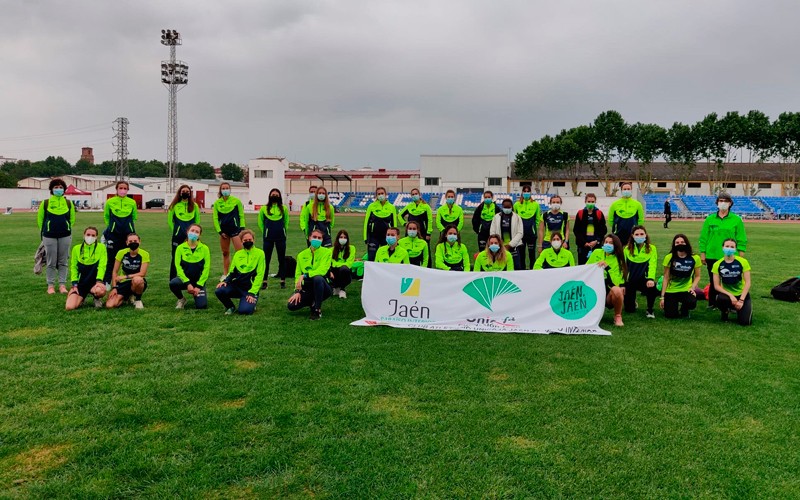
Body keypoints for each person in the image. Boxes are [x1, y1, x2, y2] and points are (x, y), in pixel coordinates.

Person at [698, 192, 747, 310]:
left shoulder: (736, 219)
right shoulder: (710, 219)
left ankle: (730, 302)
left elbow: (741, 237)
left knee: (731, 279)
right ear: (717, 203)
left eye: (725, 201)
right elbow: (703, 238)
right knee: (713, 279)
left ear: (730, 203)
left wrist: (741, 254)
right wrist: (703, 253)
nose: (723, 203)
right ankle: (712, 302)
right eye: (720, 200)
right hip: (712, 254)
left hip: (729, 256)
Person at [38, 178, 76, 294]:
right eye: (56, 187)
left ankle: (62, 285)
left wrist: (65, 228)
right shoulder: (45, 203)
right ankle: (50, 286)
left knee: (63, 261)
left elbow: (72, 220)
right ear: (51, 189)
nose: (58, 189)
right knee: (51, 262)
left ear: (64, 189)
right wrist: (47, 231)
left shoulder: (69, 203)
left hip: (65, 235)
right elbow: (40, 220)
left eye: (60, 187)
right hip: (49, 236)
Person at [215, 229, 265, 315]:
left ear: (253, 240)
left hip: (249, 289)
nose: (248, 242)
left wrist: (253, 292)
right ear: (241, 241)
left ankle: (250, 302)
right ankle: (230, 307)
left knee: (244, 311)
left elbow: (260, 275)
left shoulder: (260, 253)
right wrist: (225, 281)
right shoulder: (238, 254)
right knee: (219, 290)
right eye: (245, 240)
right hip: (237, 286)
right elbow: (232, 272)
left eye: (250, 240)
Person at [288, 229, 333, 320]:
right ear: (309, 238)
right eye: (314, 237)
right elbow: (297, 274)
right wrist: (297, 291)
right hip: (307, 288)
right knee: (291, 306)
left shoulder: (327, 252)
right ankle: (313, 302)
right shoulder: (301, 255)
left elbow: (323, 270)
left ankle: (317, 310)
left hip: (323, 286)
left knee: (318, 278)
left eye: (319, 238)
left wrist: (305, 275)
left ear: (322, 240)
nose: (316, 239)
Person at [102, 180, 138, 285]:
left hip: (128, 235)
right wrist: (112, 228)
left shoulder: (132, 202)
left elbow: (134, 217)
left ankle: (125, 281)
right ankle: (108, 282)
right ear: (116, 189)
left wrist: (128, 228)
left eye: (125, 188)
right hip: (113, 235)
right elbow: (106, 217)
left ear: (127, 190)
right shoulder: (110, 202)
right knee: (111, 259)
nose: (122, 190)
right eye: (120, 188)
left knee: (127, 258)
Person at [587, 234, 627, 326]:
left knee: (617, 290)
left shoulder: (619, 259)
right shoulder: (596, 252)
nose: (608, 244)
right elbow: (587, 268)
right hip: (594, 286)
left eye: (611, 243)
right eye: (606, 242)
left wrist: (607, 268)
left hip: (608, 290)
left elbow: (616, 282)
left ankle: (617, 316)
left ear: (616, 245)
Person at [65, 226, 107, 310]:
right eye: (88, 234)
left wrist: (99, 281)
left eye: (93, 235)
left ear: (96, 237)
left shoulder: (101, 247)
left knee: (100, 291)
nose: (90, 237)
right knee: (70, 307)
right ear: (83, 235)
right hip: (81, 284)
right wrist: (75, 284)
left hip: (95, 283)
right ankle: (81, 298)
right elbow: (74, 267)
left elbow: (102, 266)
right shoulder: (76, 249)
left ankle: (97, 298)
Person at [712, 238, 752, 325]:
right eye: (727, 246)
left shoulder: (743, 262)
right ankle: (725, 311)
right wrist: (730, 295)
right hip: (727, 295)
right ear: (722, 247)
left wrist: (741, 300)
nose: (729, 248)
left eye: (732, 247)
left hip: (741, 295)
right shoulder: (717, 264)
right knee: (720, 298)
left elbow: (748, 282)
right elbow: (716, 286)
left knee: (745, 322)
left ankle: (738, 308)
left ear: (735, 249)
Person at [660, 234, 701, 319]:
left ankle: (684, 308)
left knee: (692, 302)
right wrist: (662, 297)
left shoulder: (695, 258)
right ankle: (673, 305)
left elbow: (697, 276)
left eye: (682, 242)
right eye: (677, 242)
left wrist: (692, 287)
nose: (680, 244)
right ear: (674, 245)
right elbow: (666, 277)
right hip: (671, 290)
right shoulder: (669, 257)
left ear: (687, 243)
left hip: (686, 289)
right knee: (671, 315)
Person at [170, 223, 210, 310]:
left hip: (198, 281)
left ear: (200, 235)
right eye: (192, 231)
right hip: (184, 280)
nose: (194, 233)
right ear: (187, 232)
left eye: (197, 232)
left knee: (201, 306)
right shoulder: (180, 248)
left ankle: (198, 292)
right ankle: (181, 299)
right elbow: (178, 267)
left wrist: (199, 286)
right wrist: (187, 283)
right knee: (173, 283)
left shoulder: (205, 248)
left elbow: (206, 269)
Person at [105, 233, 149, 309]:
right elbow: (115, 272)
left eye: (135, 241)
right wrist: (114, 287)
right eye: (130, 241)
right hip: (123, 282)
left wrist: (125, 276)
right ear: (127, 242)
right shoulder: (121, 253)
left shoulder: (144, 254)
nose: (133, 243)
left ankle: (138, 300)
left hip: (137, 281)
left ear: (139, 241)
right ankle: (126, 297)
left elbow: (142, 273)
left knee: (137, 279)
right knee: (110, 305)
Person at [623, 225, 659, 319]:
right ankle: (632, 302)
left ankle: (650, 309)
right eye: (637, 234)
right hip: (630, 281)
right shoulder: (626, 249)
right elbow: (623, 267)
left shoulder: (652, 248)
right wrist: (623, 283)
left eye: (642, 234)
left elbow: (652, 265)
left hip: (644, 280)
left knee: (653, 286)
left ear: (646, 235)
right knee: (629, 310)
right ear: (632, 236)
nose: (639, 236)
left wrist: (650, 278)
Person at [257, 188, 289, 290]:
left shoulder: (284, 208)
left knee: (281, 259)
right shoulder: (263, 209)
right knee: (266, 259)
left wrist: (283, 231)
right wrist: (266, 232)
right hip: (268, 238)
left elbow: (286, 222)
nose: (274, 196)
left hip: (280, 237)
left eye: (276, 194)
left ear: (279, 196)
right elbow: (260, 223)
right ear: (269, 196)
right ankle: (264, 282)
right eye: (273, 194)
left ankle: (282, 281)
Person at [212, 182, 246, 278]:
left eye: (227, 188)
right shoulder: (217, 203)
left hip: (236, 231)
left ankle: (240, 273)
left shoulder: (236, 201)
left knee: (239, 253)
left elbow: (241, 216)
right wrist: (220, 231)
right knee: (225, 253)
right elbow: (215, 218)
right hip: (224, 232)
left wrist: (242, 229)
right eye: (223, 188)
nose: (225, 190)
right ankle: (225, 274)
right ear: (220, 190)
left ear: (230, 190)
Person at [168, 185, 200, 280]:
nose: (185, 192)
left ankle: (191, 277)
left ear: (190, 193)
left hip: (191, 237)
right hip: (177, 236)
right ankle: (173, 278)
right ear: (180, 193)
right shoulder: (174, 205)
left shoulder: (195, 206)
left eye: (187, 191)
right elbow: (170, 221)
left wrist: (194, 233)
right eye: (183, 191)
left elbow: (197, 221)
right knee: (175, 257)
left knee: (191, 256)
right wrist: (176, 231)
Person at [363, 187, 398, 261]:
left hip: (387, 238)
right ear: (376, 196)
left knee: (385, 258)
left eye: (382, 193)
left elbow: (394, 225)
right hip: (373, 237)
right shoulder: (371, 206)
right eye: (378, 194)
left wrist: (395, 238)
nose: (380, 195)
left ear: (385, 194)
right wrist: (366, 238)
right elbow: (366, 223)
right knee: (372, 257)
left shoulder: (392, 207)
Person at [573, 193, 607, 265]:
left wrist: (597, 241)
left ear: (595, 202)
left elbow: (603, 230)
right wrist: (584, 243)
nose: (590, 203)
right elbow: (576, 230)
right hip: (583, 245)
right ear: (585, 201)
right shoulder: (580, 213)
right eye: (589, 201)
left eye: (592, 202)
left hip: (596, 245)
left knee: (596, 265)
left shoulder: (599, 213)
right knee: (583, 265)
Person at [513, 185, 542, 270]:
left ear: (530, 193)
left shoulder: (535, 204)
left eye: (528, 191)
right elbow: (515, 219)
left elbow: (537, 219)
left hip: (531, 234)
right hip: (520, 235)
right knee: (521, 254)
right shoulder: (517, 204)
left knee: (532, 254)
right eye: (524, 191)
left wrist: (533, 228)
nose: (526, 193)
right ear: (522, 192)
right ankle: (522, 270)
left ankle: (532, 270)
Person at [489, 198, 523, 270]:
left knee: (516, 267)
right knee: (501, 267)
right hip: (499, 247)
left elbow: (520, 232)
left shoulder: (517, 217)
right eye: (505, 207)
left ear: (512, 207)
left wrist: (510, 245)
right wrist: (498, 244)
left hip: (514, 246)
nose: (507, 209)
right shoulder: (496, 217)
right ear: (502, 207)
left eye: (509, 207)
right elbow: (492, 232)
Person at [608, 181, 644, 246]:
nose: (626, 190)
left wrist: (636, 229)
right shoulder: (615, 204)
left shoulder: (637, 204)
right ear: (621, 190)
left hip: (632, 234)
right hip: (618, 234)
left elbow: (641, 219)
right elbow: (610, 219)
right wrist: (615, 228)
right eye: (624, 189)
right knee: (618, 253)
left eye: (628, 189)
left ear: (631, 190)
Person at [330, 229, 356, 299]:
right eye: (341, 237)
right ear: (337, 238)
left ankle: (342, 289)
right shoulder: (331, 250)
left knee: (344, 269)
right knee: (330, 269)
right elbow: (332, 263)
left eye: (345, 237)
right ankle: (335, 286)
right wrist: (341, 265)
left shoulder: (352, 248)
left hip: (345, 272)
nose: (343, 239)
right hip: (335, 272)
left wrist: (339, 265)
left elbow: (349, 263)